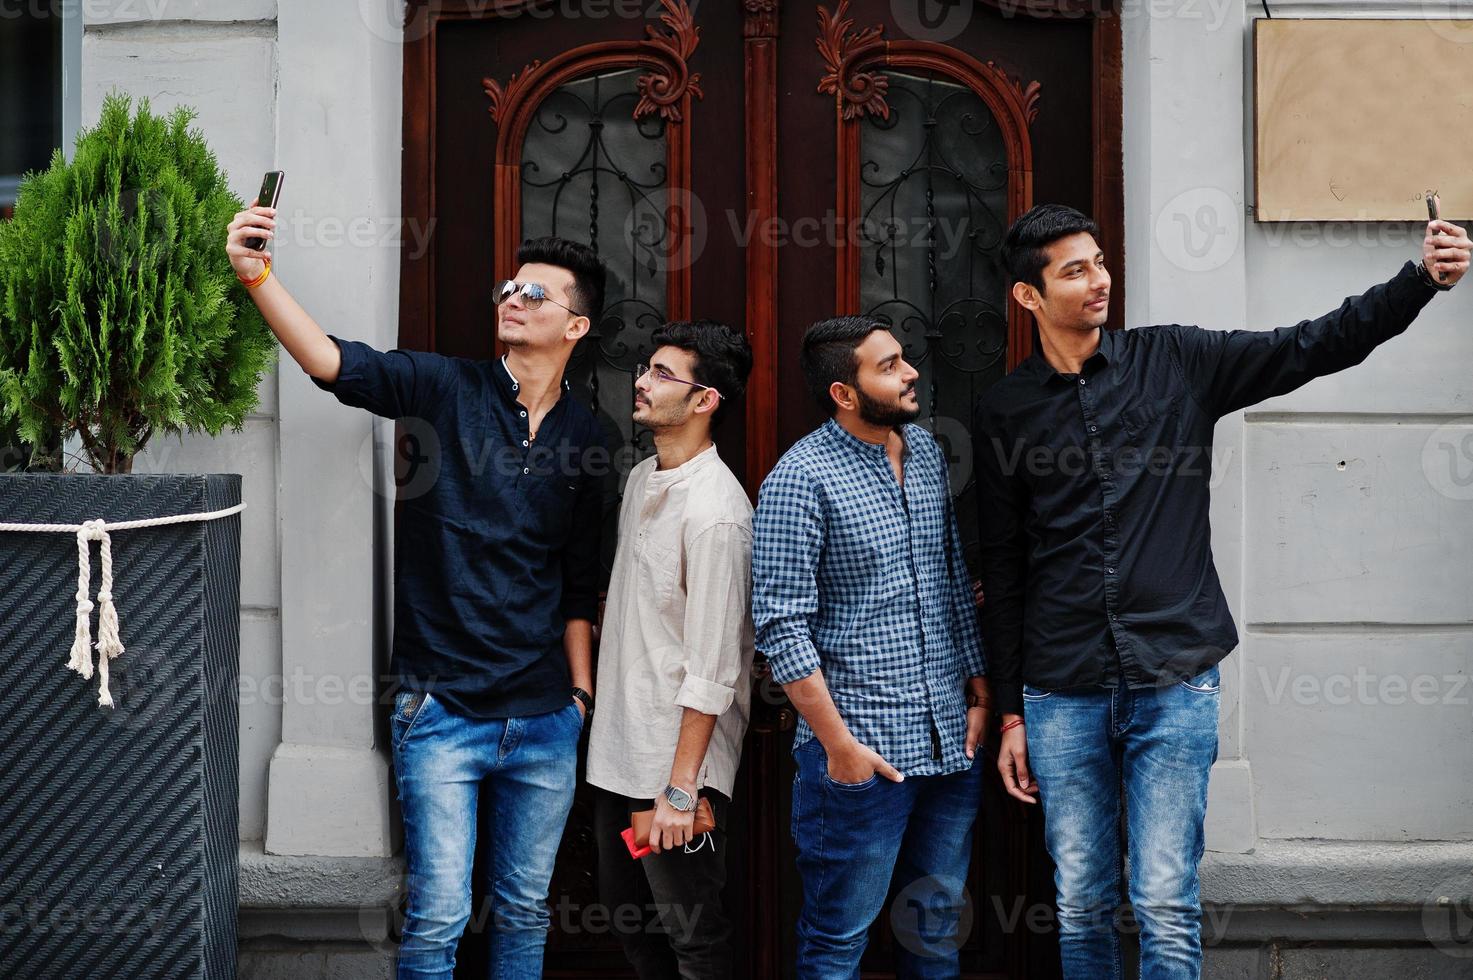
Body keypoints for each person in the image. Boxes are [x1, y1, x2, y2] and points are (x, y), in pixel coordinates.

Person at [972, 202, 1471, 979]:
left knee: (1165, 898)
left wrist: (1418, 282)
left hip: (1173, 675)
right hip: (1059, 688)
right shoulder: (1004, 410)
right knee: (1077, 902)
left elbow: (1311, 345)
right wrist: (1008, 709)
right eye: (1074, 270)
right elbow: (1000, 570)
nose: (1099, 280)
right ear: (1029, 297)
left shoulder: (1174, 361)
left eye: (1099, 261)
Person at [226, 204, 610, 980]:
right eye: (509, 286)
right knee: (436, 915)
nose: (513, 297)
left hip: (543, 721)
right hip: (442, 712)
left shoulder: (591, 438)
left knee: (525, 911)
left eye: (536, 294)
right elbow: (334, 363)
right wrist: (255, 275)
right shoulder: (445, 388)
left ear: (576, 327)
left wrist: (579, 698)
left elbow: (580, 583)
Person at [752, 316, 991, 978]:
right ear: (843, 393)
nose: (910, 371)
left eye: (903, 359)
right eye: (887, 366)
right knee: (836, 944)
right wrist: (838, 747)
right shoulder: (800, 478)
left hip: (950, 750)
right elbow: (779, 626)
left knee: (935, 937)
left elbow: (946, 578)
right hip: (859, 759)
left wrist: (977, 687)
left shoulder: (920, 453)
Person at [585, 319, 756, 980]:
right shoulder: (640, 480)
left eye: (661, 373)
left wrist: (681, 792)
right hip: (618, 757)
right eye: (644, 368)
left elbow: (714, 666)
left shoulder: (717, 512)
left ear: (705, 400)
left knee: (693, 942)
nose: (641, 381)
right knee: (632, 929)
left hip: (674, 774)